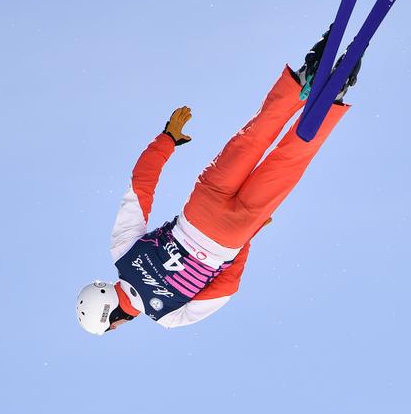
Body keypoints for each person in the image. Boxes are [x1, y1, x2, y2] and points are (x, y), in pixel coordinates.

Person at [75, 30, 361, 335]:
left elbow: (227, 287)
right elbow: (140, 186)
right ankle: (303, 79)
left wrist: (246, 237)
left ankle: (331, 101)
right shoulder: (122, 252)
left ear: (112, 320)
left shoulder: (169, 317)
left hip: (229, 237)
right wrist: (167, 139)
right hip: (201, 207)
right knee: (251, 140)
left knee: (286, 165)